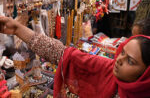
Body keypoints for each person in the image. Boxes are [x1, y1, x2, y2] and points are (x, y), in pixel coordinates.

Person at [0, 16, 150, 98]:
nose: (119, 60)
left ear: (145, 74)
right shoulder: (108, 69)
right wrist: (17, 29)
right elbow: (62, 53)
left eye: (130, 61)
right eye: (122, 52)